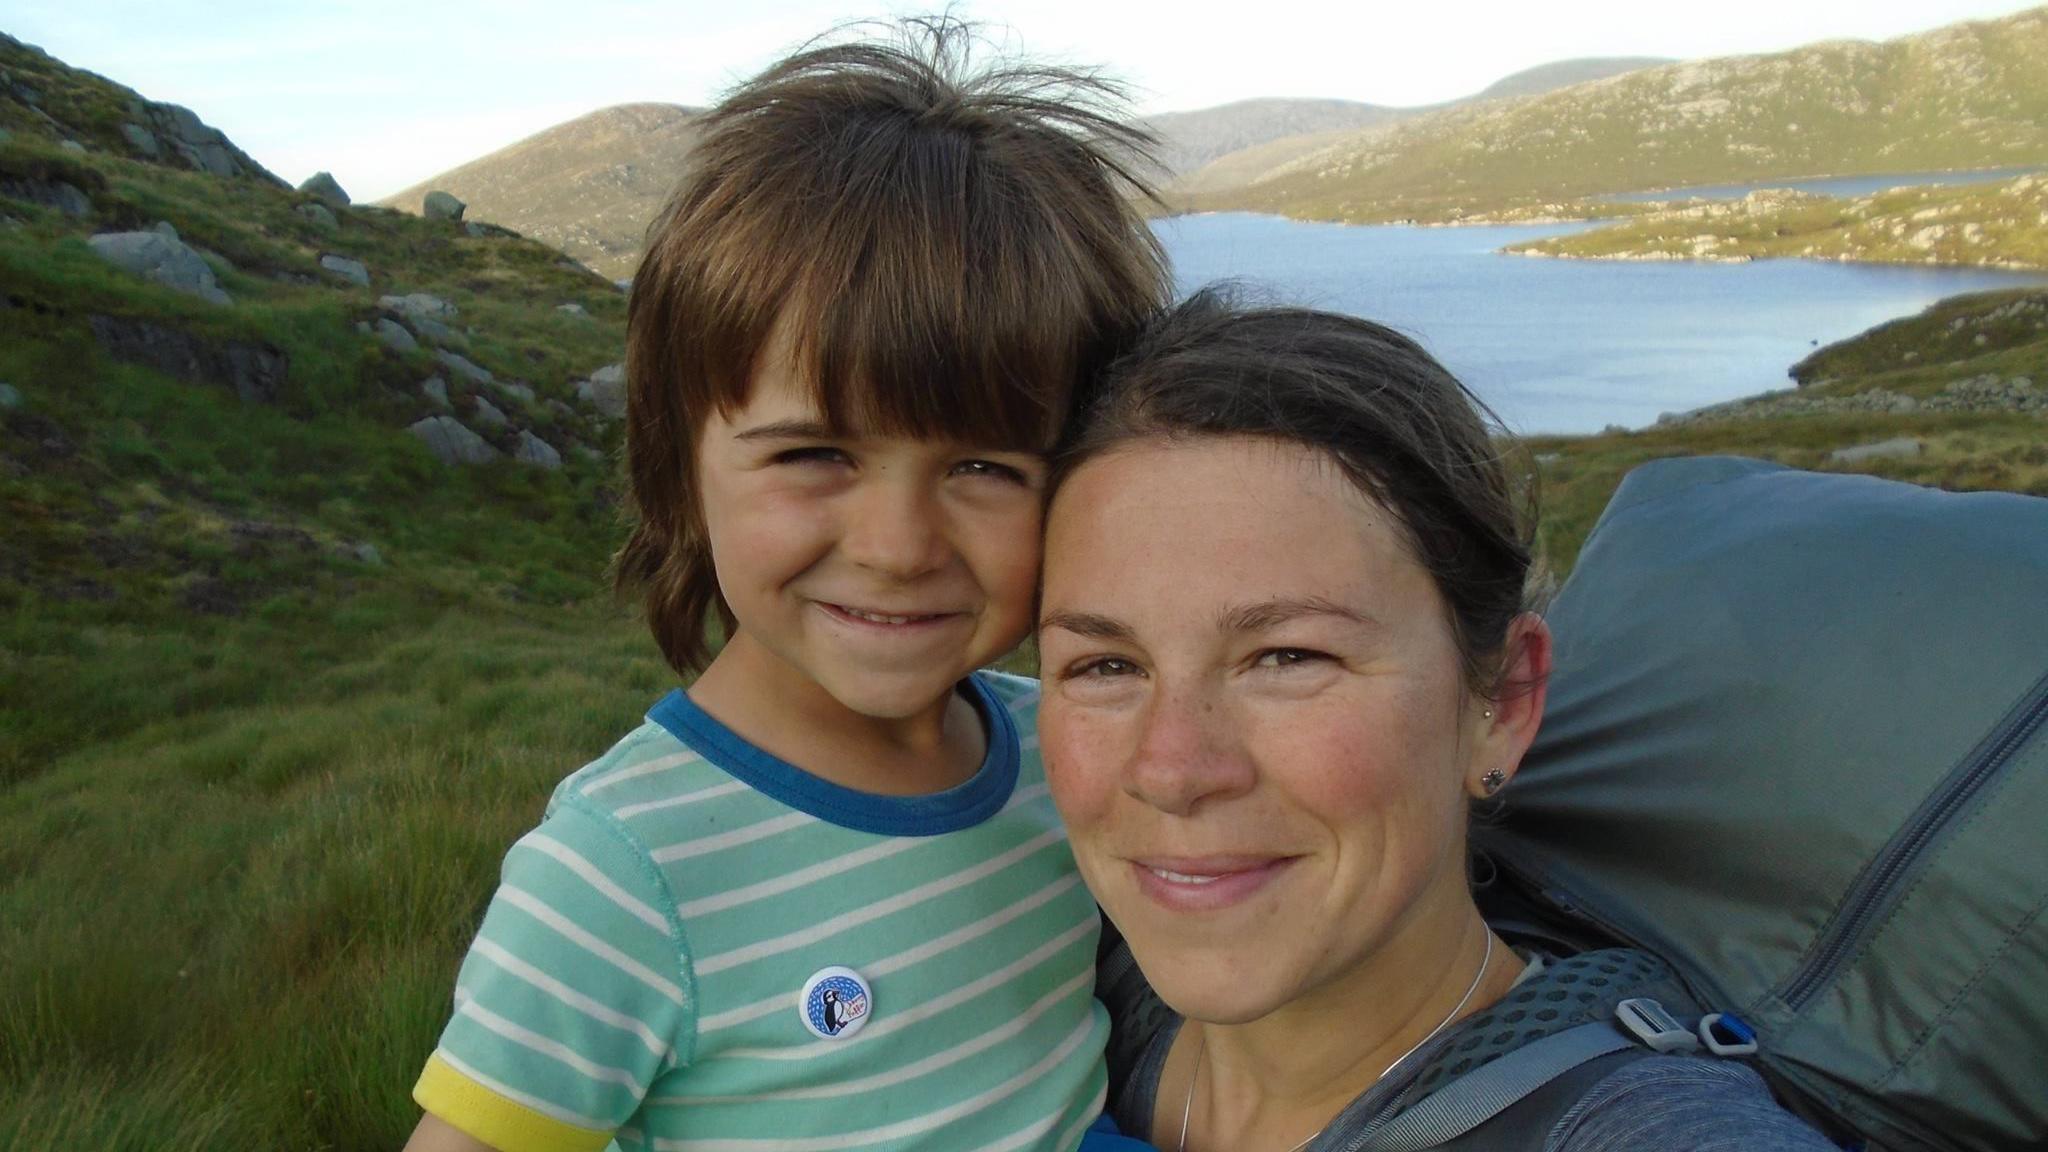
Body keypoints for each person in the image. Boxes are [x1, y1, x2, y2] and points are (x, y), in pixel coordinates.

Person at [402, 19, 1168, 1152]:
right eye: (814, 454)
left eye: (983, 468)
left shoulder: (1064, 748)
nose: (898, 545)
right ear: (677, 462)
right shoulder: (620, 875)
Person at [1033, 290, 1839, 1151]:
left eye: (1289, 658)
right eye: (1105, 666)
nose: (1172, 770)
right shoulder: (1049, 988)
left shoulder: (1638, 1130)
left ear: (1502, 702)